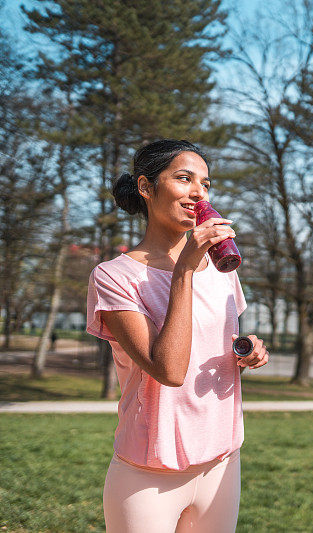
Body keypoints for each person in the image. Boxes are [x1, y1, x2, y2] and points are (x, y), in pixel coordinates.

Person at [86, 139, 269, 533]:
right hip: (150, 473)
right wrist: (184, 269)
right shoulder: (115, 277)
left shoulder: (222, 268)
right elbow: (168, 369)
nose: (198, 192)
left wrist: (247, 351)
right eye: (184, 178)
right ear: (146, 187)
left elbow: (210, 342)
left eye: (205, 183)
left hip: (222, 461)